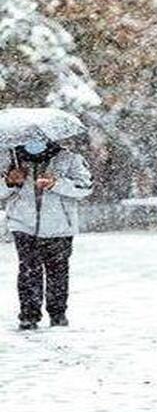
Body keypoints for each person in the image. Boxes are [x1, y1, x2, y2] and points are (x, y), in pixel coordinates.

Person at [4, 139, 92, 330]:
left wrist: (57, 184)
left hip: (59, 226)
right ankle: (29, 315)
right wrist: (9, 182)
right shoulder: (10, 158)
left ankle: (57, 313)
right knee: (28, 270)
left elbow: (85, 187)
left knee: (57, 271)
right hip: (23, 224)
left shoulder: (70, 159)